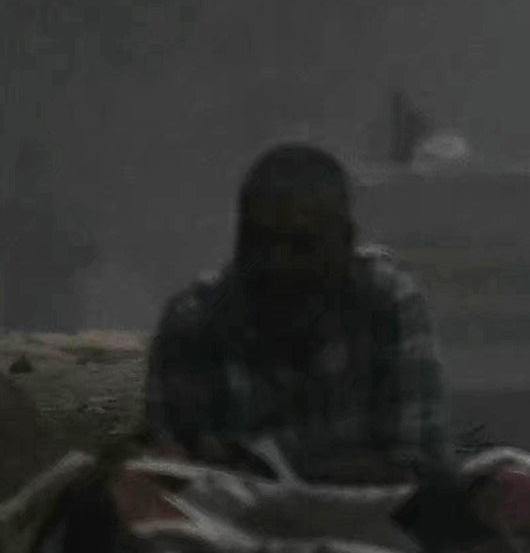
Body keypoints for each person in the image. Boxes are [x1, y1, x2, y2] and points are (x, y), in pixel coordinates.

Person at [140, 142, 448, 485]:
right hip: (231, 534)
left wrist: (264, 467)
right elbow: (173, 475)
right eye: (258, 242)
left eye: (302, 246)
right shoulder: (194, 318)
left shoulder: (387, 303)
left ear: (346, 241)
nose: (276, 264)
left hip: (375, 531)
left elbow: (418, 466)